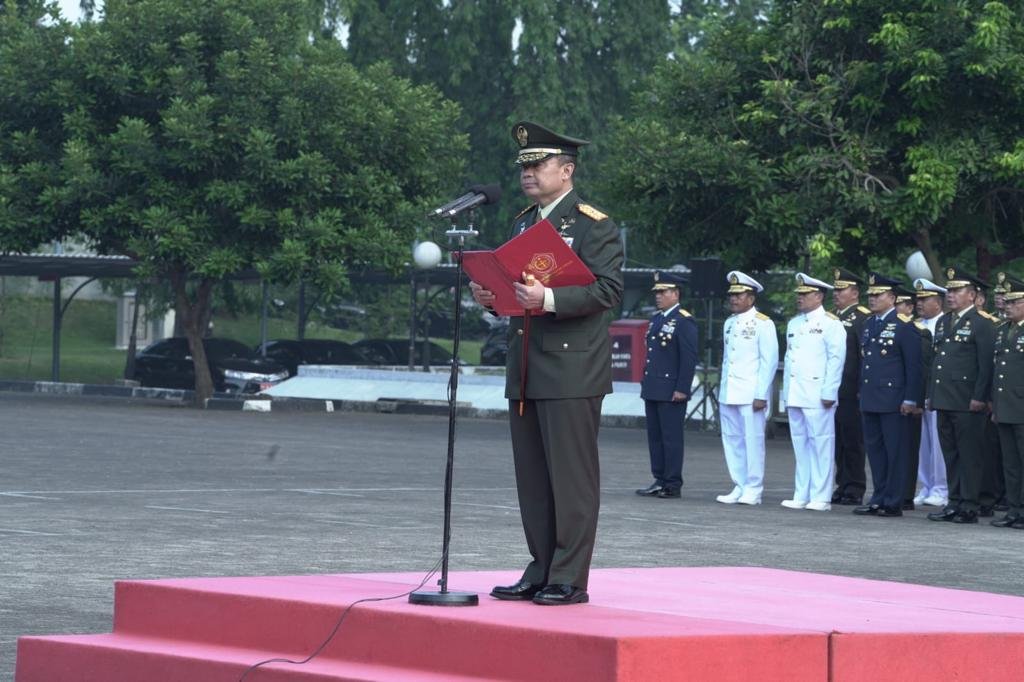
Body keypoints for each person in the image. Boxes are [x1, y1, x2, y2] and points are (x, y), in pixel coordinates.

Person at [470, 121, 624, 605]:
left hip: (572, 368)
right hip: (527, 367)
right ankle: (540, 567)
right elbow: (516, 291)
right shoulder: (522, 222)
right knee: (533, 479)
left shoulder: (593, 224)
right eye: (524, 166)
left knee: (571, 479)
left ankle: (569, 577)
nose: (528, 174)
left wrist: (549, 297)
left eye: (538, 165)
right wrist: (492, 298)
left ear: (567, 169)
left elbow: (608, 290)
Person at [926, 267, 996, 525]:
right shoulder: (944, 321)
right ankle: (953, 501)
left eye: (957, 291)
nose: (951, 295)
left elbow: (986, 364)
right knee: (950, 454)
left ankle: (969, 504)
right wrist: (931, 394)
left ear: (972, 295)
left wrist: (980, 396)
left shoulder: (982, 323)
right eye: (950, 291)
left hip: (967, 400)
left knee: (970, 455)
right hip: (945, 397)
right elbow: (937, 361)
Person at [851, 275, 923, 518]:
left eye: (878, 295)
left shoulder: (904, 326)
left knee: (896, 452)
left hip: (894, 400)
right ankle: (879, 497)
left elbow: (914, 366)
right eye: (870, 295)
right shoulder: (869, 324)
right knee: (877, 453)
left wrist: (911, 399)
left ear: (892, 298)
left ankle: (893, 501)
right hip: (871, 397)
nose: (872, 298)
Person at [780, 273, 847, 511]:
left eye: (805, 294)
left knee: (821, 445)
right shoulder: (794, 323)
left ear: (818, 296)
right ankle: (802, 493)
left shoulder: (831, 323)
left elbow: (836, 359)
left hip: (818, 393)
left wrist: (830, 391)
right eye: (798, 294)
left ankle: (820, 496)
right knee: (800, 445)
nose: (800, 298)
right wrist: (785, 393)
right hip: (797, 392)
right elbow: (790, 359)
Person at [716, 271, 779, 506]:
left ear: (751, 298)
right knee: (732, 440)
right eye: (732, 295)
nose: (734, 299)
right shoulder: (729, 323)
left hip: (751, 393)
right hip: (730, 391)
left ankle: (753, 487)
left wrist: (761, 394)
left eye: (739, 295)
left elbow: (769, 361)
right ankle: (739, 484)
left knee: (752, 442)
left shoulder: (764, 323)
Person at [636, 271, 699, 499]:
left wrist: (682, 388)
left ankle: (672, 483)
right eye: (657, 292)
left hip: (672, 389)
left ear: (675, 293)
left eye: (663, 292)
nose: (658, 296)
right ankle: (659, 478)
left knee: (671, 438)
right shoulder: (657, 318)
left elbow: (688, 358)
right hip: (654, 387)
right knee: (655, 437)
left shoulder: (684, 320)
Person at [831, 268, 871, 505]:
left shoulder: (861, 318)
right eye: (835, 290)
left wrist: (860, 389)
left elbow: (863, 357)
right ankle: (842, 483)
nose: (836, 294)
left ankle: (855, 486)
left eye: (841, 290)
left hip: (851, 389)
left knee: (853, 440)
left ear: (855, 293)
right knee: (837, 441)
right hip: (833, 389)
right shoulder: (830, 317)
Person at [990, 273, 1024, 529]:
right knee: (1010, 464)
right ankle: (1014, 509)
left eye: (1014, 302)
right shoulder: (1002, 331)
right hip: (1005, 406)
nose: (1008, 306)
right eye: (1007, 302)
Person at [912, 278, 949, 507]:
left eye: (925, 299)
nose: (919, 303)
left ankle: (941, 488)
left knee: (938, 445)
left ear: (938, 302)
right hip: (919, 391)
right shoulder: (916, 325)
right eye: (918, 299)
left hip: (937, 392)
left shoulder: (944, 324)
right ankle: (926, 485)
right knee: (922, 444)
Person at [895, 288, 932, 510]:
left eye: (901, 304)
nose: (896, 308)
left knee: (907, 447)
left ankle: (905, 493)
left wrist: (917, 400)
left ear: (909, 308)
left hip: (908, 398)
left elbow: (922, 368)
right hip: (887, 396)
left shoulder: (919, 331)